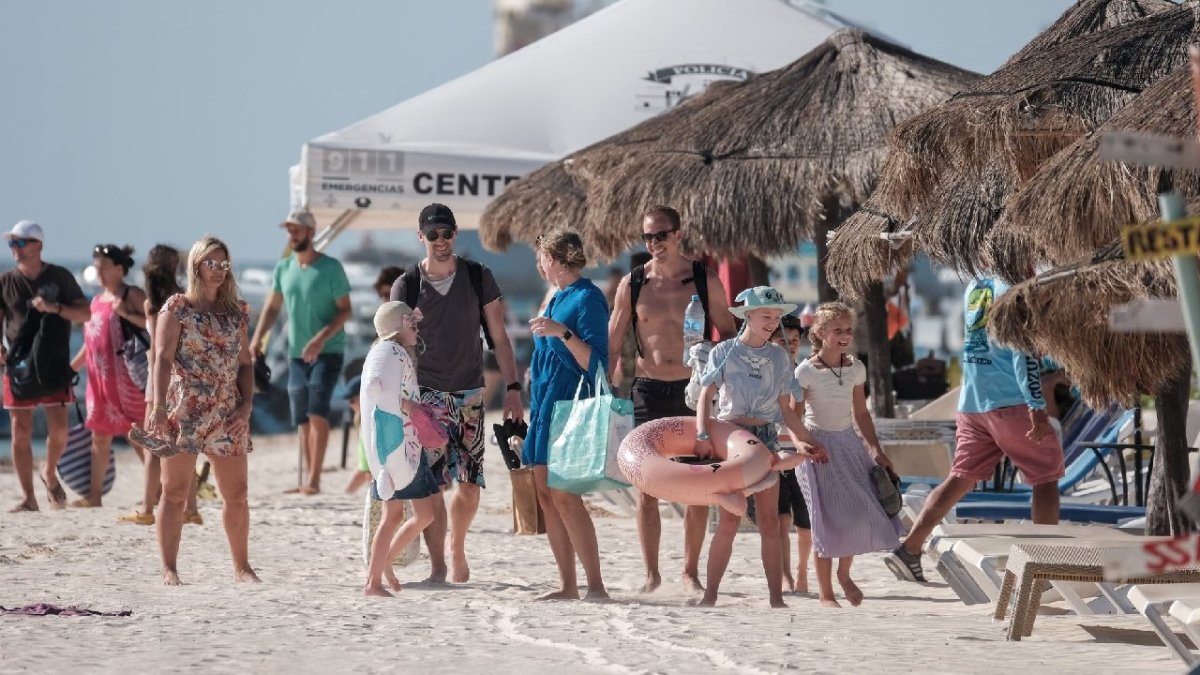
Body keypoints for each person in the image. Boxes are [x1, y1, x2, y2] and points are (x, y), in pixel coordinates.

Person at [886, 277, 1061, 583]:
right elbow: (1024, 353)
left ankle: (910, 548)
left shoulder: (976, 285)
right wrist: (1036, 404)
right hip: (1012, 400)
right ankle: (1040, 567)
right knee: (1045, 477)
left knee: (961, 477)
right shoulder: (1018, 289)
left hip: (974, 400)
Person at [389, 203, 524, 584]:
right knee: (430, 486)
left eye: (446, 233)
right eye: (432, 234)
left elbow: (499, 338)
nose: (440, 241)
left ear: (455, 234)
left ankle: (457, 546)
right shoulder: (406, 285)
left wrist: (513, 390)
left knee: (469, 484)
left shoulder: (478, 276)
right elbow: (393, 348)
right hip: (424, 396)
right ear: (421, 237)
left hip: (469, 395)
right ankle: (438, 566)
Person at [607, 205, 736, 594]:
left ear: (679, 234)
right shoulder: (633, 283)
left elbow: (729, 334)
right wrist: (602, 387)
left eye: (661, 235)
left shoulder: (702, 278)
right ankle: (651, 573)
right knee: (645, 488)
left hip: (693, 391)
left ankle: (690, 571)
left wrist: (723, 381)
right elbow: (613, 341)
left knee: (696, 486)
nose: (654, 244)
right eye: (647, 237)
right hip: (647, 388)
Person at [695, 286, 826, 608]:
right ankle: (710, 595)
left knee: (769, 522)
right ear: (747, 315)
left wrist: (807, 441)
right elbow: (705, 396)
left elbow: (785, 409)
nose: (772, 322)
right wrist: (701, 435)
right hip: (731, 438)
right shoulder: (723, 352)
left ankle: (776, 598)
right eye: (766, 315)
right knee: (728, 520)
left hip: (766, 439)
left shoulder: (780, 357)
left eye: (776, 317)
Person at [137, 235, 257, 585]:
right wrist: (158, 407)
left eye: (224, 264)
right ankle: (169, 567)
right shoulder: (177, 308)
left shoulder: (237, 312)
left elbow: (246, 363)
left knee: (236, 495)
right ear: (196, 266)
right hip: (183, 410)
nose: (219, 271)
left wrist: (247, 406)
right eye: (211, 263)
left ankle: (242, 567)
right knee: (174, 492)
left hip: (227, 413)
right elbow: (160, 359)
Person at [794, 302, 904, 607]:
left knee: (859, 514)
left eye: (848, 329)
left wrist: (876, 450)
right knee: (826, 521)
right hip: (819, 449)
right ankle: (825, 593)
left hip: (849, 445)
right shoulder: (806, 371)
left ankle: (844, 575)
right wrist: (803, 444)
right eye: (837, 330)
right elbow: (795, 414)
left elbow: (861, 413)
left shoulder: (856, 367)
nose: (845, 335)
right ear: (819, 332)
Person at [525, 229, 610, 601]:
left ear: (556, 260)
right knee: (545, 492)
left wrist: (562, 333)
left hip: (569, 405)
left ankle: (595, 585)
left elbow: (598, 363)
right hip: (545, 402)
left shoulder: (588, 298)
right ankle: (567, 585)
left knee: (564, 493)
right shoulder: (556, 296)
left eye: (542, 257)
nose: (539, 264)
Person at [250, 208, 352, 495]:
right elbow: (271, 307)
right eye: (288, 230)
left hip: (328, 351)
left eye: (296, 229)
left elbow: (346, 311)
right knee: (303, 419)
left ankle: (315, 480)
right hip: (296, 355)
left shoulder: (331, 268)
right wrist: (257, 338)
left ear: (310, 231)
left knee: (317, 413)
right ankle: (308, 479)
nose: (291, 234)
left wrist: (320, 338)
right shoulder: (284, 268)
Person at [0, 221, 91, 513]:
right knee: (20, 430)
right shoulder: (6, 282)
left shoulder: (60, 277)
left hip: (53, 363)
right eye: (12, 243)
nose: (15, 248)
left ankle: (49, 471)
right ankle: (29, 498)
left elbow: (86, 313)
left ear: (38, 244)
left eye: (21, 242)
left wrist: (55, 308)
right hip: (19, 365)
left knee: (60, 429)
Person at [362, 301, 440, 597]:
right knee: (421, 515)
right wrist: (410, 408)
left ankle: (379, 571)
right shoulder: (393, 354)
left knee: (398, 516)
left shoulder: (385, 354)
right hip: (403, 448)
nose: (417, 329)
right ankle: (377, 575)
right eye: (412, 324)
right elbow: (386, 396)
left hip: (391, 449)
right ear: (399, 327)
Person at [120, 245, 201, 525]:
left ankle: (146, 507)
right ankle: (191, 509)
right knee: (185, 443)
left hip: (159, 376)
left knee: (153, 444)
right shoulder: (185, 299)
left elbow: (156, 349)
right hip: (185, 376)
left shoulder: (151, 303)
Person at [68, 245, 147, 507]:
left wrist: (127, 314)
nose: (99, 272)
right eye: (96, 267)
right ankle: (94, 495)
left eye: (103, 266)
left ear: (119, 269)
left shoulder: (132, 294)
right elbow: (90, 344)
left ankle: (157, 490)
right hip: (98, 382)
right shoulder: (96, 300)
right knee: (99, 437)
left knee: (138, 436)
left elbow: (156, 322)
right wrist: (71, 368)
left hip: (127, 381)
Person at [768, 315, 813, 593]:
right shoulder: (762, 372)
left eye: (795, 341)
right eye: (783, 341)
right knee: (780, 519)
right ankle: (785, 575)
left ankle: (801, 571)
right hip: (771, 453)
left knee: (805, 522)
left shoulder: (805, 373)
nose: (790, 346)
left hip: (800, 452)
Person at [341, 376, 372, 494]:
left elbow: (366, 466)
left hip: (374, 472)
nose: (350, 404)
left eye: (352, 400)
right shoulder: (361, 420)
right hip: (368, 471)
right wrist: (347, 492)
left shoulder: (372, 420)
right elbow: (363, 467)